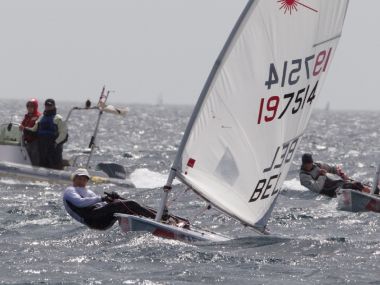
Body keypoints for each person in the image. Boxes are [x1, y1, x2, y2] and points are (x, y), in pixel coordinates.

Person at [63, 168, 157, 230]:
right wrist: (103, 198)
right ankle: (157, 219)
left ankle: (154, 219)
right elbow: (80, 203)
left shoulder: (87, 191)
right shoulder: (70, 190)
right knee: (130, 203)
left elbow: (100, 203)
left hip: (99, 218)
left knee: (123, 205)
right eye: (79, 178)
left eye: (84, 179)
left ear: (87, 181)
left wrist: (110, 199)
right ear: (74, 179)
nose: (82, 181)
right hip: (92, 219)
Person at [22, 99, 68, 169]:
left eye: (50, 105)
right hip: (42, 146)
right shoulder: (41, 117)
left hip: (53, 147)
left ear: (54, 106)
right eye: (46, 105)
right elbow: (34, 130)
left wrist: (56, 142)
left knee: (54, 165)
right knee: (42, 164)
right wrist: (25, 129)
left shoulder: (59, 118)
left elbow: (63, 134)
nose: (48, 107)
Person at [299, 153, 370, 197]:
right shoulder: (304, 176)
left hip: (334, 184)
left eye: (310, 163)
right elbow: (317, 189)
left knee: (356, 183)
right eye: (306, 164)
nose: (308, 165)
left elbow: (332, 169)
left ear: (312, 162)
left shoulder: (318, 165)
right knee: (348, 185)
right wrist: (321, 175)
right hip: (326, 190)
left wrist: (340, 173)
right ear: (303, 164)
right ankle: (367, 194)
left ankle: (372, 191)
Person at [19, 99, 41, 166]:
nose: (29, 108)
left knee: (34, 159)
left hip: (35, 141)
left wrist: (24, 128)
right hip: (27, 141)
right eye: (28, 106)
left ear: (35, 107)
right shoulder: (27, 116)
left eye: (31, 106)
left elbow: (35, 129)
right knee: (27, 159)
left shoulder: (38, 116)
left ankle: (36, 172)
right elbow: (22, 124)